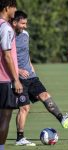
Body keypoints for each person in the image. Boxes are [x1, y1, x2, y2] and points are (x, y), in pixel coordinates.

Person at [11, 10, 68, 146]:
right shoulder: (7, 35)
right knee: (24, 108)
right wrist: (17, 71)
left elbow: (26, 55)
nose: (25, 26)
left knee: (45, 95)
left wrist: (32, 70)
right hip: (17, 78)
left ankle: (62, 119)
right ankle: (20, 138)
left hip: (31, 76)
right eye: (22, 23)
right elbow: (4, 58)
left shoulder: (25, 35)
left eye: (26, 23)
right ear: (15, 22)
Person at [0, 1, 23, 150]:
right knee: (5, 116)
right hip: (4, 79)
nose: (15, 10)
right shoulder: (6, 28)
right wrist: (16, 79)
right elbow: (7, 55)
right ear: (8, 7)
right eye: (14, 7)